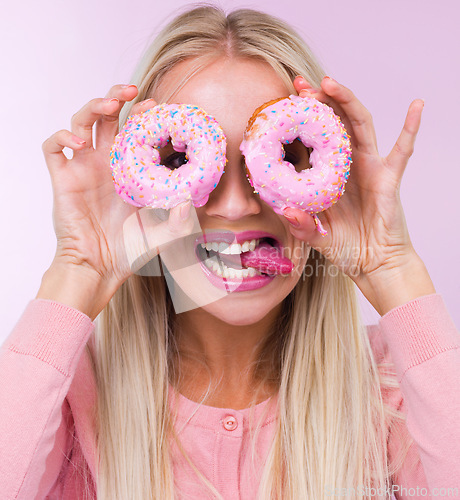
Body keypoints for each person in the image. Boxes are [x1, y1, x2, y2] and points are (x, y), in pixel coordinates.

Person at [1, 4, 459, 500]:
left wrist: (393, 268)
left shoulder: (400, 388)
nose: (238, 206)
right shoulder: (59, 397)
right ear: (134, 184)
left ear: (328, 180)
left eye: (286, 155)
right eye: (181, 161)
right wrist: (79, 268)